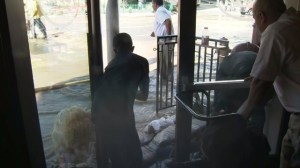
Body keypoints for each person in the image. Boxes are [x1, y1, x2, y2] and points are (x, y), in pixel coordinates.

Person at [237, 0, 300, 167]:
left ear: (261, 17)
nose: (255, 24)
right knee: (287, 152)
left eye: (254, 19)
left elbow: (259, 84)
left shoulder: (275, 31)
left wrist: (239, 119)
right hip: (295, 117)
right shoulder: (294, 22)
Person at [92, 33, 149, 168]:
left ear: (114, 50)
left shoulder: (110, 66)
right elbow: (144, 95)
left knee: (112, 152)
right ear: (133, 48)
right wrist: (129, 91)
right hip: (121, 113)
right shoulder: (142, 62)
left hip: (98, 110)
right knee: (133, 151)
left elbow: (104, 89)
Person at [151, 0, 175, 81]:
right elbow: (163, 25)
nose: (152, 6)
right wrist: (155, 32)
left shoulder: (159, 11)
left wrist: (168, 37)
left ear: (155, 4)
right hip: (165, 40)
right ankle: (166, 80)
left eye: (152, 4)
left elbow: (167, 21)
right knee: (165, 61)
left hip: (165, 41)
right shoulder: (164, 10)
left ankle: (166, 80)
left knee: (165, 61)